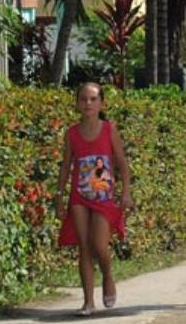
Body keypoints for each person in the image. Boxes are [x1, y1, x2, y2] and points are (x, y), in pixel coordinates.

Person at [56, 83, 134, 316]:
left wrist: (126, 192)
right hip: (79, 195)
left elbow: (121, 163)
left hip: (103, 196)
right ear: (77, 103)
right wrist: (59, 197)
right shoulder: (72, 133)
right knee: (84, 246)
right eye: (83, 99)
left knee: (99, 244)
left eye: (92, 99)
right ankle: (88, 302)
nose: (88, 104)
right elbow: (66, 166)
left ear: (101, 103)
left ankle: (108, 275)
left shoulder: (109, 130)